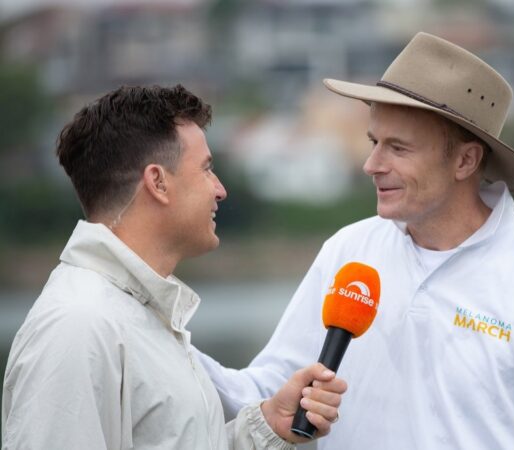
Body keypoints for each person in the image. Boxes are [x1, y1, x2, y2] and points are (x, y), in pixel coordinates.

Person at [196, 32, 514, 449]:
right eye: (374, 142)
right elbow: (269, 389)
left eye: (398, 148)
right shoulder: (348, 250)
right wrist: (154, 338)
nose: (371, 164)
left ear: (466, 160)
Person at [1, 85, 346, 450]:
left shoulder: (139, 315)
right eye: (206, 169)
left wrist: (265, 426)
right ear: (158, 182)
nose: (220, 189)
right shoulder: (79, 325)